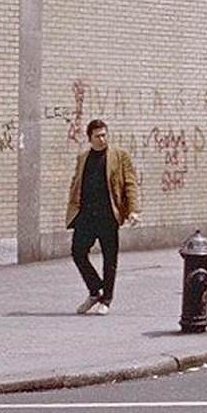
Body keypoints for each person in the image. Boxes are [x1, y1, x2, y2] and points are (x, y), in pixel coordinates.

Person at [65, 119, 139, 315]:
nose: (102, 139)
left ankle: (106, 299)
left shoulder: (119, 156)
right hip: (87, 215)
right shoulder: (83, 157)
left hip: (108, 214)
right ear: (89, 138)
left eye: (105, 135)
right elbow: (76, 183)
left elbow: (130, 183)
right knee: (77, 252)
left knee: (110, 258)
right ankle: (95, 289)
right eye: (98, 136)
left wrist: (133, 210)